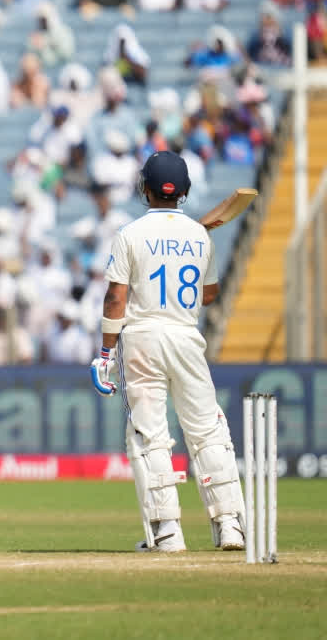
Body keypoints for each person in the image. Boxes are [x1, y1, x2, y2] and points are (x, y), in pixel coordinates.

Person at [91, 151, 246, 553]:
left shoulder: (130, 234)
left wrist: (106, 353)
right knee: (208, 431)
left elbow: (115, 298)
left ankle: (167, 533)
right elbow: (208, 295)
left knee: (149, 435)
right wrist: (198, 244)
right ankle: (230, 525)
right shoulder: (200, 235)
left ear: (144, 189)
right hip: (185, 336)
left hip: (142, 337)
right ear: (185, 191)